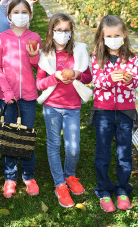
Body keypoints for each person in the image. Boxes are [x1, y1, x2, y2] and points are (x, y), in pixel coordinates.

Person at [36, 13, 93, 208]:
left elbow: (87, 77)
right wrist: (56, 78)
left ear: (71, 32)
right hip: (52, 106)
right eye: (58, 30)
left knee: (73, 147)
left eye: (66, 30)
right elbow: (40, 83)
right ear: (51, 32)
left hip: (72, 107)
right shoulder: (46, 54)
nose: (62, 34)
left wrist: (76, 73)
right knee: (53, 144)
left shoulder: (78, 51)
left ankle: (70, 175)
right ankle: (59, 183)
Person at [0, 0, 42, 198]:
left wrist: (33, 56)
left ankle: (28, 175)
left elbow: (40, 67)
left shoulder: (35, 37)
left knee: (26, 135)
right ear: (9, 15)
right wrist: (6, 90)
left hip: (28, 95)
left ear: (29, 15)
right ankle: (10, 176)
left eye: (24, 12)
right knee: (10, 136)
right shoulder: (1, 39)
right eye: (16, 12)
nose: (20, 15)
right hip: (8, 96)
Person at [90, 15, 138, 212]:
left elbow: (135, 83)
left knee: (124, 152)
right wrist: (110, 78)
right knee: (103, 152)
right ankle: (103, 189)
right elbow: (97, 82)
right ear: (102, 38)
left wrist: (128, 79)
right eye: (108, 36)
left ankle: (122, 188)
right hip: (104, 111)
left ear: (124, 35)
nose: (113, 38)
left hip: (126, 111)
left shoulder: (132, 58)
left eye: (117, 35)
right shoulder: (97, 58)